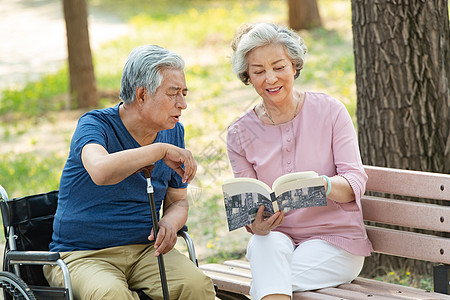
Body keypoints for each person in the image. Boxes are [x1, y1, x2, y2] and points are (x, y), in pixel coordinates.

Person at [44, 45, 215, 300]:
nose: (183, 104)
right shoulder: (95, 125)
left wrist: (169, 222)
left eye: (184, 93)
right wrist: (158, 151)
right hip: (83, 255)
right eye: (173, 93)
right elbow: (101, 171)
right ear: (142, 94)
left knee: (197, 286)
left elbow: (178, 201)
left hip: (146, 252)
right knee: (111, 295)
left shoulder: (173, 132)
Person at [227, 23, 373, 300]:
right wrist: (254, 224)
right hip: (278, 239)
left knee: (268, 281)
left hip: (335, 241)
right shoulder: (239, 134)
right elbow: (249, 212)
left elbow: (355, 181)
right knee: (262, 246)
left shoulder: (330, 111)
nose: (270, 79)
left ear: (294, 66)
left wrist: (322, 185)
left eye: (279, 67)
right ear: (248, 77)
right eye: (258, 71)